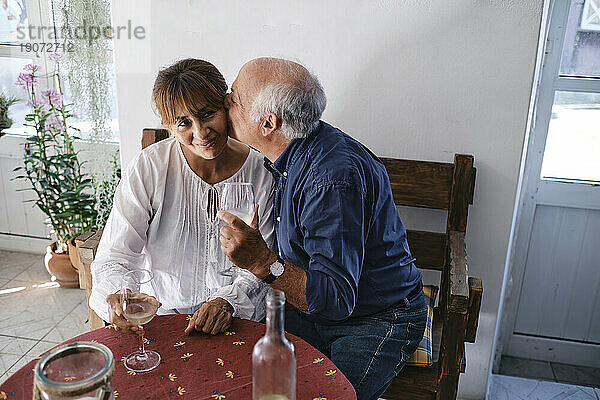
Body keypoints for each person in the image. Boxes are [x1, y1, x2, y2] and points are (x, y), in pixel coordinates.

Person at [217, 57, 427, 400]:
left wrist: (259, 261)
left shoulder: (330, 181)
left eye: (234, 98)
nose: (225, 101)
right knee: (247, 384)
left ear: (269, 123)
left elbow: (336, 299)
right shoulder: (293, 150)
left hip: (376, 318)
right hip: (311, 312)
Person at [89, 58, 274, 336]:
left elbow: (265, 260)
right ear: (169, 126)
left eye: (208, 114)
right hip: (163, 316)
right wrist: (119, 292)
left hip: (237, 317)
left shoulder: (262, 172)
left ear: (227, 106)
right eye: (184, 122)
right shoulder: (149, 167)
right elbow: (116, 253)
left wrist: (228, 302)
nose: (201, 133)